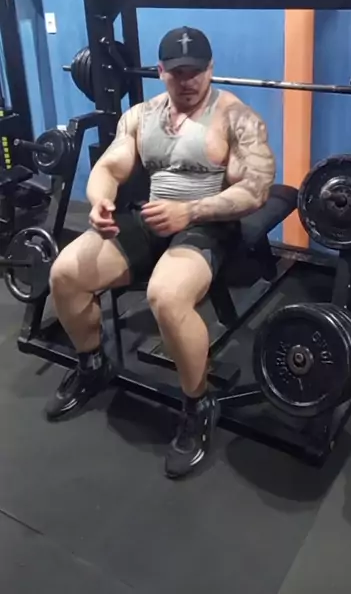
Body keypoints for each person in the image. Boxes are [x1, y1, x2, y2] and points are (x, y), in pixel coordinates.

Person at [47, 27, 276, 479]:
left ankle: (198, 404)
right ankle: (92, 364)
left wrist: (190, 210)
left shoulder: (236, 118)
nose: (187, 81)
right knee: (65, 273)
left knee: (166, 296)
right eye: (177, 73)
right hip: (152, 216)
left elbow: (257, 188)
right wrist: (99, 202)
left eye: (196, 72)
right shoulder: (140, 116)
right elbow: (109, 167)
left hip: (209, 224)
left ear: (211, 69)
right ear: (160, 72)